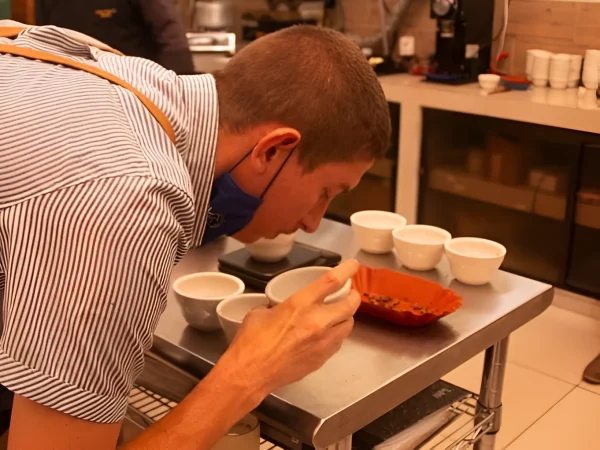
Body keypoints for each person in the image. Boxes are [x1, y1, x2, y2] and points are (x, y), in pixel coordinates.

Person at [0, 19, 391, 450]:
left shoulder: (121, 73)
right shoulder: (129, 202)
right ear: (273, 149)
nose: (315, 223)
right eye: (325, 192)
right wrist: (249, 373)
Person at [35, 0, 195, 74]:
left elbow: (170, 33)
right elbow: (45, 39)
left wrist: (180, 86)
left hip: (135, 89)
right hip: (75, 90)